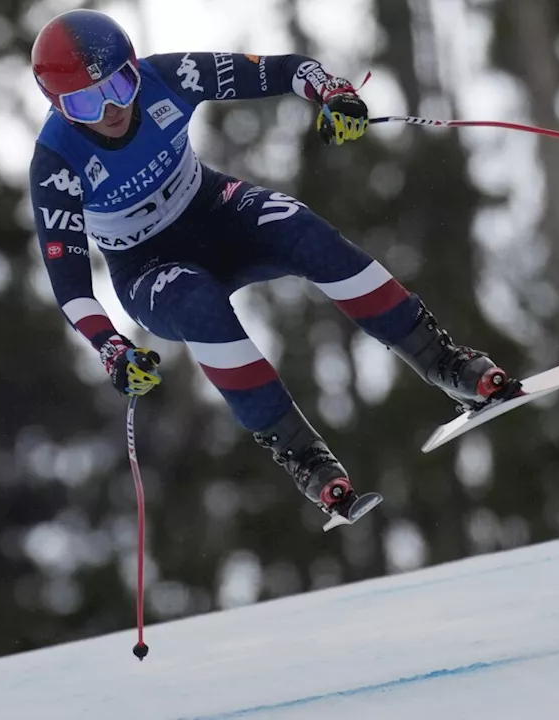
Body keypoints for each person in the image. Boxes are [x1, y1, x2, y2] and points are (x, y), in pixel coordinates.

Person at [28, 9, 522, 526]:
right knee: (199, 304)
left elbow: (287, 69)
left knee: (300, 230)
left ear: (135, 68)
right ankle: (304, 457)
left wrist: (335, 94)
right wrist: (112, 349)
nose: (112, 107)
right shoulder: (56, 163)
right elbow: (71, 287)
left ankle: (445, 363)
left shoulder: (167, 77)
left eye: (122, 83)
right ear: (60, 108)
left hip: (214, 211)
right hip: (149, 266)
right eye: (87, 101)